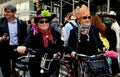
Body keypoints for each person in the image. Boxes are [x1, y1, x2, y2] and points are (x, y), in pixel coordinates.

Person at [16, 9, 64, 77]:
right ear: (37, 23)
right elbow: (28, 42)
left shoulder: (55, 33)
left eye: (46, 21)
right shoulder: (34, 33)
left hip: (52, 64)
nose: (44, 23)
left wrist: (58, 53)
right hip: (36, 64)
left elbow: (62, 46)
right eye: (41, 22)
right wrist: (23, 47)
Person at [67, 4, 106, 77]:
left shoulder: (94, 29)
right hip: (80, 62)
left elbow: (99, 42)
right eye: (84, 18)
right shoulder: (74, 31)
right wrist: (72, 51)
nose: (87, 19)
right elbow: (69, 45)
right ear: (79, 20)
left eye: (89, 17)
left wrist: (103, 48)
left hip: (94, 62)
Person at [0, 4, 27, 77]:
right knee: (5, 68)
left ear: (14, 12)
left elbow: (25, 36)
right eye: (4, 11)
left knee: (16, 68)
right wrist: (1, 39)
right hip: (4, 48)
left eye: (8, 12)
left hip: (16, 48)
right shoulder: (0, 22)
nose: (5, 13)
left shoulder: (22, 23)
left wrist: (22, 46)